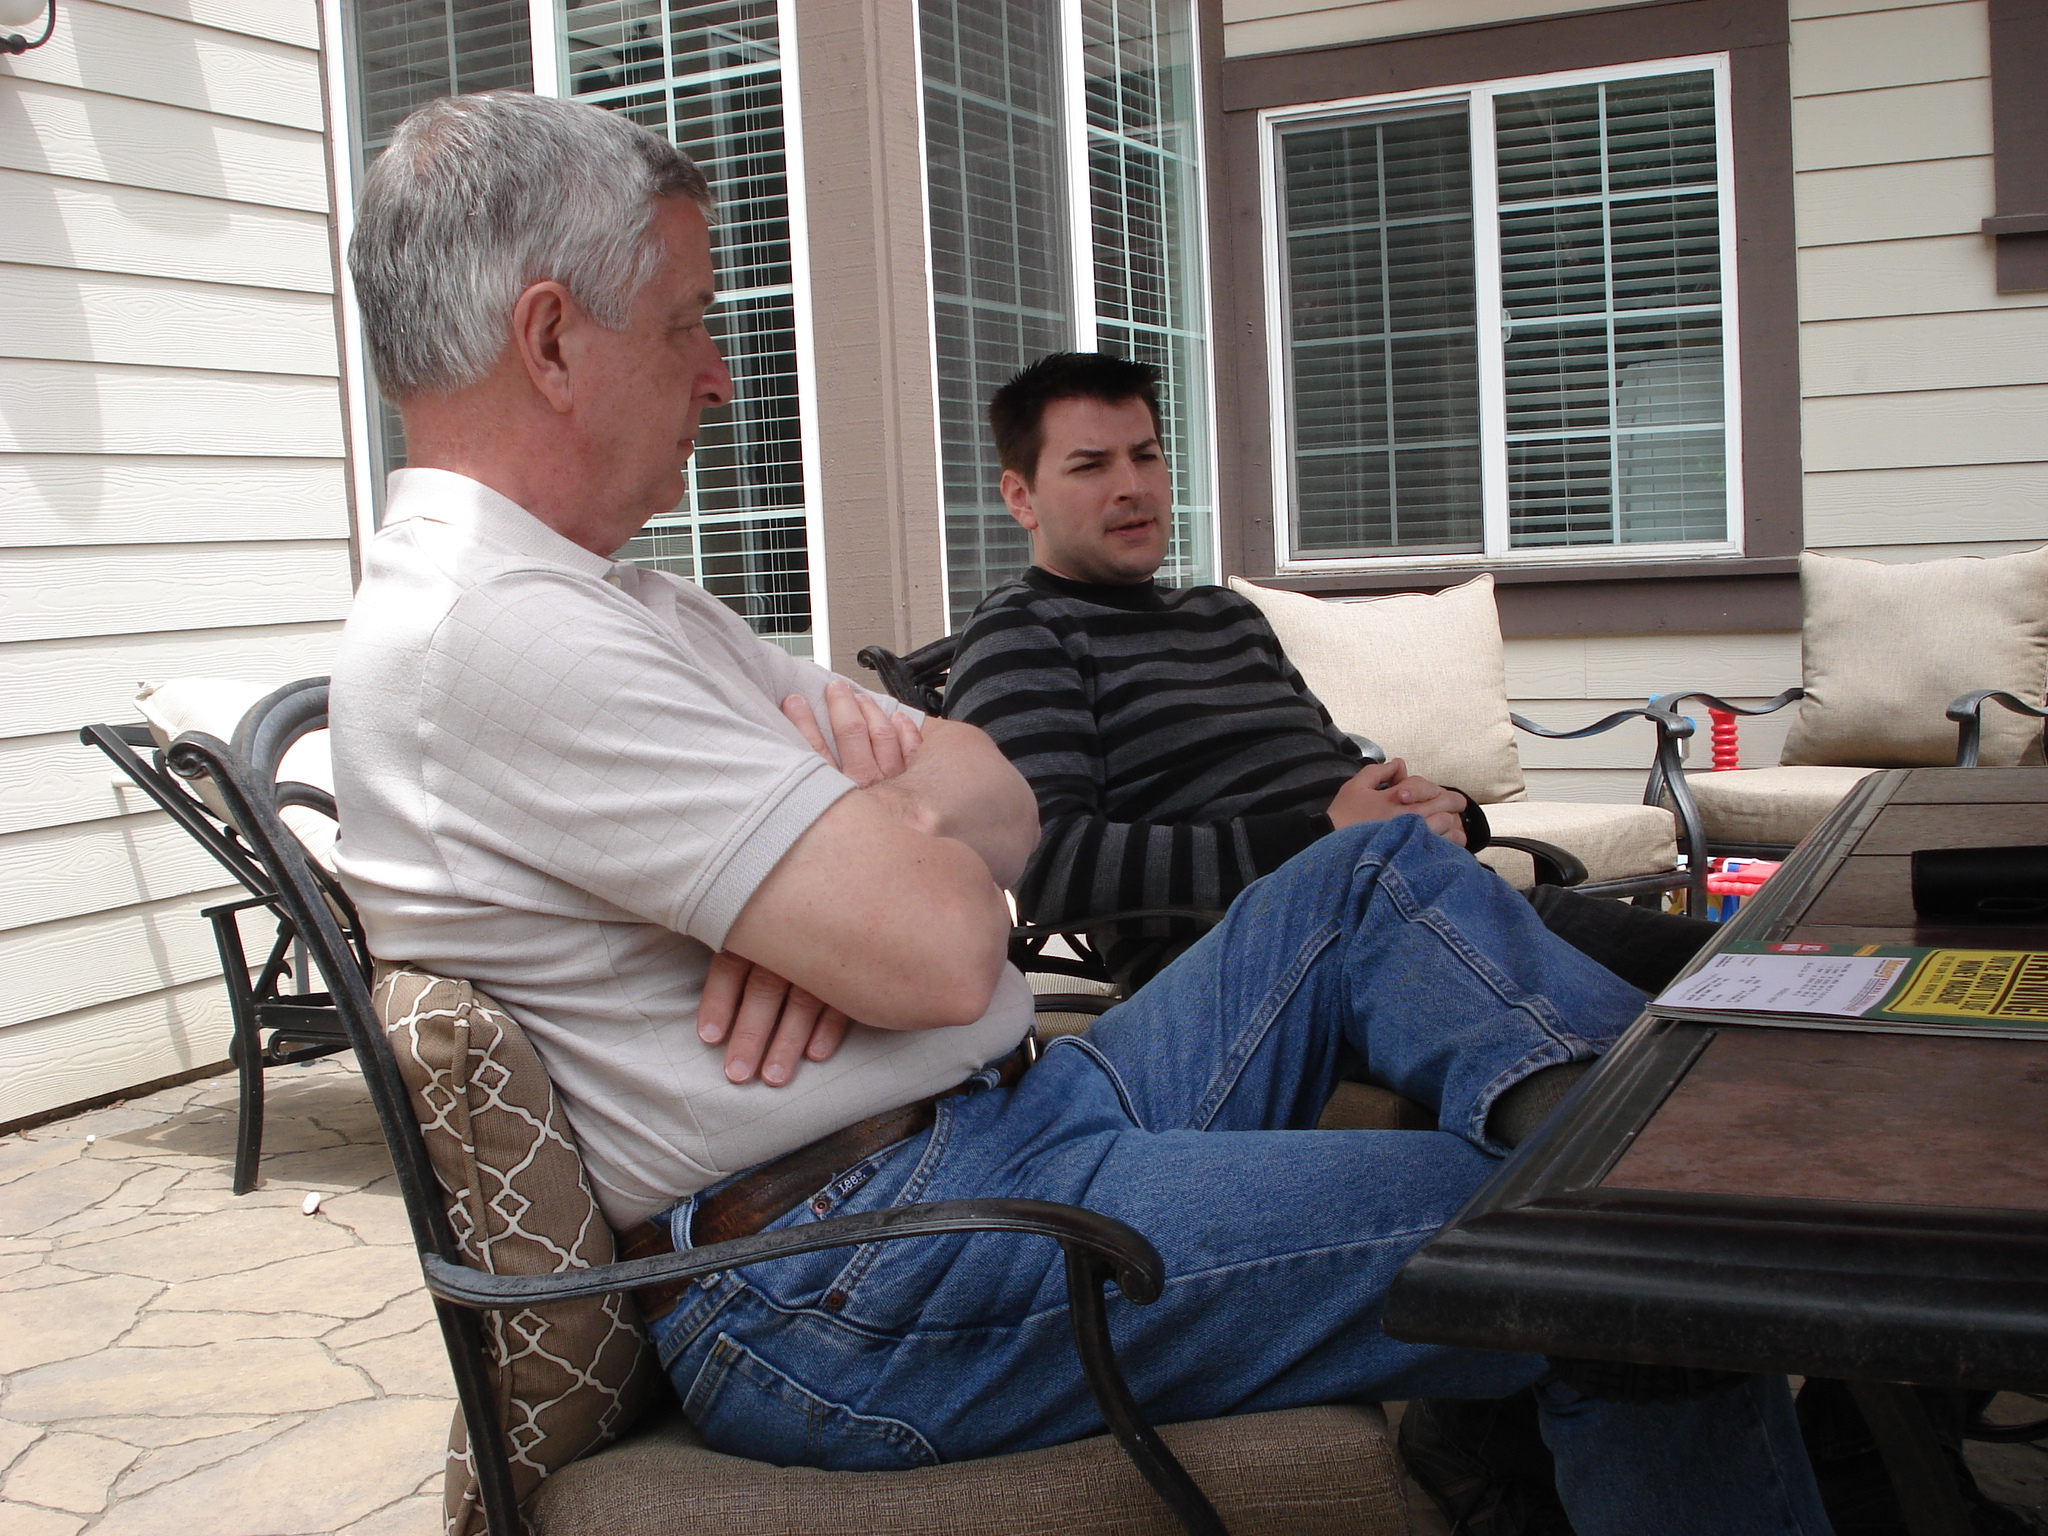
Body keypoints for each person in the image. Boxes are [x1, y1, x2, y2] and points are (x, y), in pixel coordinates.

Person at [328, 92, 1831, 1536]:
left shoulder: (629, 605)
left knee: (1372, 875)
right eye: (688, 324)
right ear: (551, 340)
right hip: (867, 1272)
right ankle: (1696, 1224)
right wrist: (870, 861)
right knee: (1591, 1250)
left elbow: (993, 787)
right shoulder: (496, 635)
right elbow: (945, 944)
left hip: (1003, 1126)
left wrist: (862, 849)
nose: (719, 375)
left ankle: (1653, 1155)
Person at [944, 351, 1718, 996]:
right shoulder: (1023, 633)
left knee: (1739, 970)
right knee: (1649, 1051)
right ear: (1021, 497)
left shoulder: (1223, 616)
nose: (1132, 486)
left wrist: (1443, 812)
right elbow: (1049, 865)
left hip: (1429, 902)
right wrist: (1323, 838)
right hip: (1274, 966)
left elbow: (1342, 776)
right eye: (1090, 466)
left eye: (1145, 455)